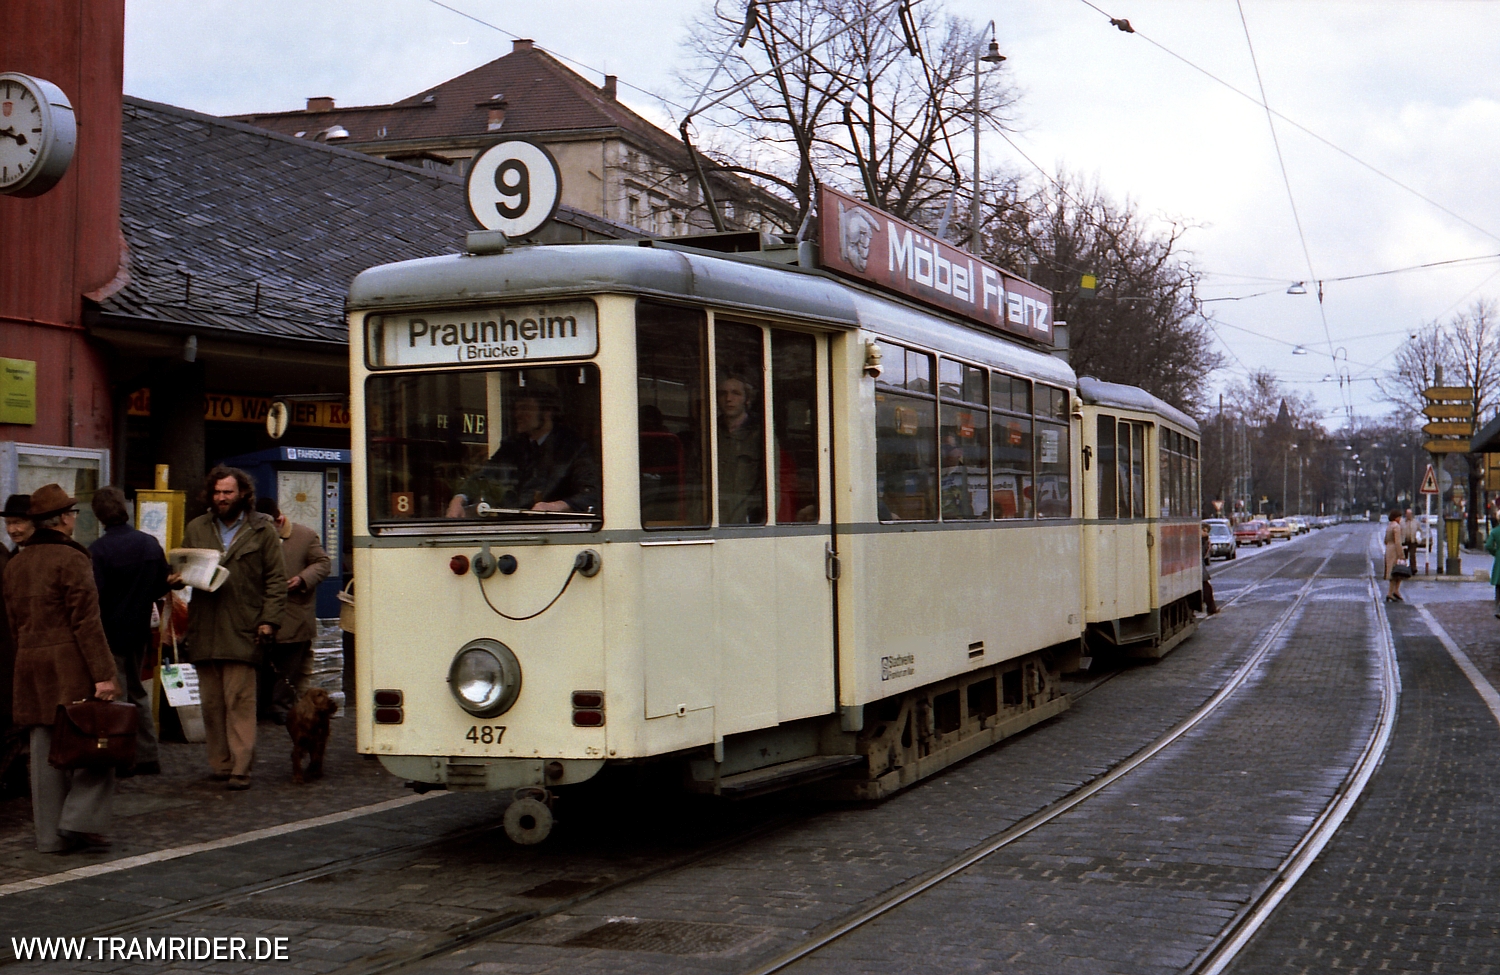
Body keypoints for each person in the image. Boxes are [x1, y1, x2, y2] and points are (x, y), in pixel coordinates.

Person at [4, 484, 121, 852]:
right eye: (72, 513)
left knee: (43, 752)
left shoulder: (16, 564)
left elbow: (13, 623)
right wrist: (104, 674)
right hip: (70, 664)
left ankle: (49, 837)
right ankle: (78, 822)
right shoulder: (72, 558)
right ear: (64, 519)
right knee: (97, 744)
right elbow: (86, 622)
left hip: (30, 664)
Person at [174, 467, 286, 790]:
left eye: (228, 492)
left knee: (239, 701)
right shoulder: (197, 527)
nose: (221, 498)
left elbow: (276, 580)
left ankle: (240, 767)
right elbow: (184, 568)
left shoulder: (261, 530)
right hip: (205, 628)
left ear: (243, 494)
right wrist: (178, 578)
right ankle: (220, 763)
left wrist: (269, 620)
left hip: (243, 627)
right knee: (211, 705)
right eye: (217, 492)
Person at [88, 487, 170, 776]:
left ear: (98, 515)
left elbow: (95, 595)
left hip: (109, 632)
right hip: (138, 630)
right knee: (138, 692)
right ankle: (148, 755)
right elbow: (161, 584)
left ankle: (122, 756)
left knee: (117, 696)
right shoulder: (149, 544)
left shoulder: (98, 550)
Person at [446, 385, 599, 517]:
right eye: (516, 408)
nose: (517, 414)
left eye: (525, 408)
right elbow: (485, 476)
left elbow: (591, 493)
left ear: (547, 411)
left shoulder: (573, 448)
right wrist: (459, 500)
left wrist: (556, 506)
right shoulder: (512, 446)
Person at [254, 497, 331, 725]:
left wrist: (302, 579)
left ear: (279, 521)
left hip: (293, 613)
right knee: (257, 663)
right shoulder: (251, 535)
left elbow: (323, 563)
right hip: (258, 612)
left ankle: (281, 707)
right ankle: (256, 706)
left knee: (287, 666)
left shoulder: (305, 536)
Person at [717, 372, 766, 525]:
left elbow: (772, 485)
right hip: (713, 517)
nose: (728, 399)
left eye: (736, 393)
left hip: (746, 521)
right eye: (723, 393)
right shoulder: (708, 433)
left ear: (747, 399)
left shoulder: (762, 435)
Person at [1384, 510, 1405, 603]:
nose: (1400, 519)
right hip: (1394, 551)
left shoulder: (1389, 526)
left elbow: (1385, 540)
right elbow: (1397, 542)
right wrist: (1401, 554)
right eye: (1399, 517)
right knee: (1398, 571)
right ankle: (1394, 591)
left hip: (1389, 549)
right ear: (1396, 517)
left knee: (1392, 571)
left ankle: (1392, 592)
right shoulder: (1396, 526)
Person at [1200, 522, 1218, 615]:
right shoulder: (1203, 540)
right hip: (1199, 570)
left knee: (1207, 588)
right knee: (1207, 588)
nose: (1204, 533)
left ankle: (1211, 608)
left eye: (1206, 531)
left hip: (1200, 570)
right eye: (1203, 530)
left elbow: (1204, 554)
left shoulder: (1205, 541)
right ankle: (1211, 608)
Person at [1485, 512, 1500, 619]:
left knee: (1498, 586)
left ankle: (1497, 608)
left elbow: (1488, 545)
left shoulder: (1495, 531)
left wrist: (1496, 552)